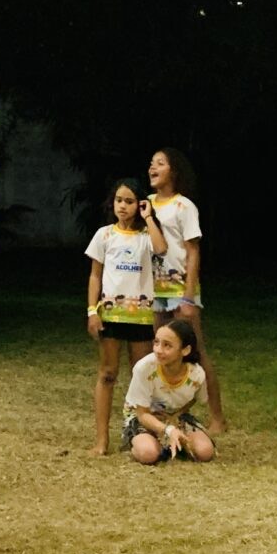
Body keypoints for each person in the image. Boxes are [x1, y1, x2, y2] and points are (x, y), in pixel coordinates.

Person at [146, 147, 226, 433]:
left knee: (197, 351)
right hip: (155, 292)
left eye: (160, 163)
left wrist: (189, 297)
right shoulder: (147, 205)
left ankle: (217, 417)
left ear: (174, 171)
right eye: (151, 164)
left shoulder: (184, 207)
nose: (152, 168)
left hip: (180, 289)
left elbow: (193, 251)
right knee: (160, 352)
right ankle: (161, 413)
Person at [85, 177, 167, 455]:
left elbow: (162, 249)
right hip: (111, 315)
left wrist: (149, 217)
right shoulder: (104, 235)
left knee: (141, 375)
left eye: (130, 201)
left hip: (141, 318)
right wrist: (92, 310)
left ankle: (142, 432)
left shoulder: (146, 236)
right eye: (119, 200)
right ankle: (101, 439)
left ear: (140, 204)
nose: (123, 206)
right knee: (107, 373)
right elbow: (95, 275)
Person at [122, 318, 215, 465]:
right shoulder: (144, 368)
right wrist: (168, 430)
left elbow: (195, 398)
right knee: (148, 454)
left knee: (205, 452)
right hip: (143, 415)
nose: (158, 350)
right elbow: (142, 414)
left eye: (167, 346)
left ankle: (170, 442)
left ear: (185, 350)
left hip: (174, 416)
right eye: (156, 342)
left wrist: (177, 415)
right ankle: (145, 441)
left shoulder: (196, 374)